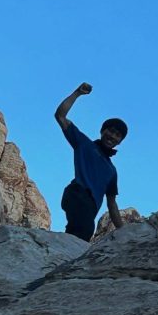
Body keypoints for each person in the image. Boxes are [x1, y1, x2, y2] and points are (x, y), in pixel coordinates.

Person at [55, 82, 127, 242]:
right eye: (111, 131)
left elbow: (112, 203)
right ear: (102, 131)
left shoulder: (111, 170)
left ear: (119, 142)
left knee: (79, 235)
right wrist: (77, 93)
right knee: (83, 231)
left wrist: (123, 231)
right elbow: (60, 116)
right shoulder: (85, 144)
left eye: (118, 135)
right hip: (77, 193)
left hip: (90, 208)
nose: (113, 136)